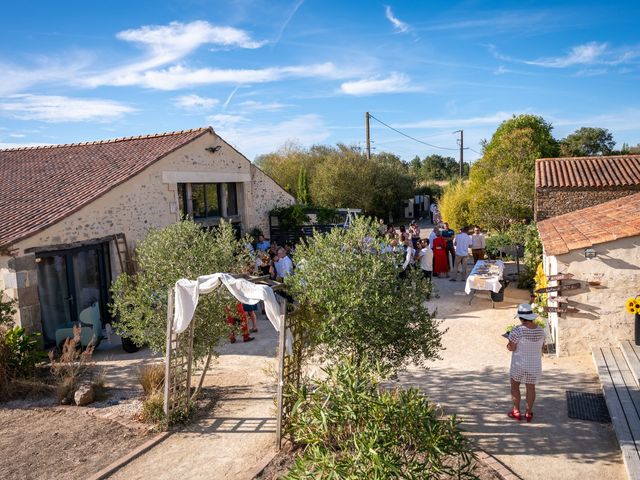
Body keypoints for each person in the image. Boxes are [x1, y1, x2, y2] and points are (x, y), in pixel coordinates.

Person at [507, 304, 545, 423]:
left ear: (520, 318)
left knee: (515, 386)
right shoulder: (541, 331)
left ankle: (516, 411)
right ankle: (528, 413)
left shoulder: (517, 331)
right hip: (534, 365)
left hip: (519, 363)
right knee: (531, 387)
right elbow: (542, 348)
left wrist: (508, 343)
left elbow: (511, 348)